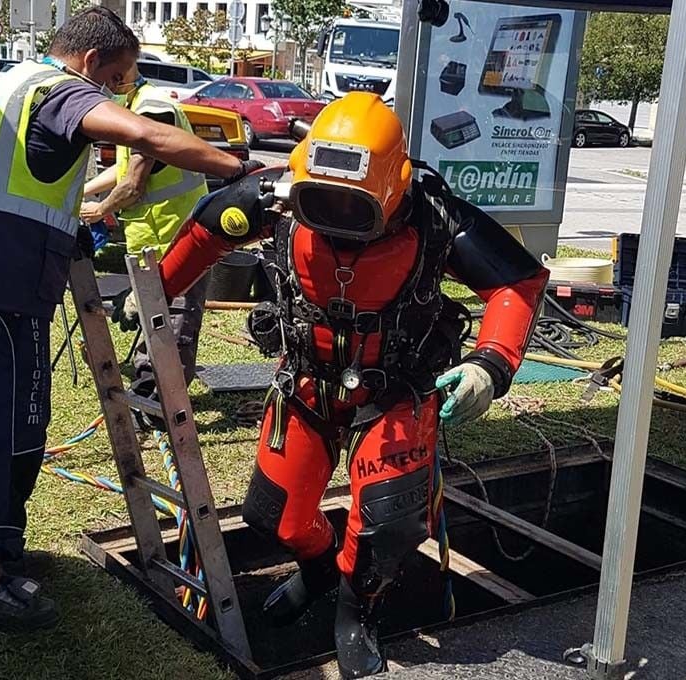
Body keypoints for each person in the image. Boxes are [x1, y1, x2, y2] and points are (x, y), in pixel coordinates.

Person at [142, 93, 549, 677]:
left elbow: (518, 281)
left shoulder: (434, 218)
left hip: (397, 389)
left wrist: (491, 364)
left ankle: (358, 614)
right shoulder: (272, 199)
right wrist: (153, 290)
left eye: (351, 208)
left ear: (392, 190)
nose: (334, 218)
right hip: (307, 383)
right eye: (319, 201)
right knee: (273, 517)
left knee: (387, 525)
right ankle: (318, 570)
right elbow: (206, 233)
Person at [0, 6, 260, 633]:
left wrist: (73, 226)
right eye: (115, 79)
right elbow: (149, 138)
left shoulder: (7, 88)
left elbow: (27, 184)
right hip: (1, 287)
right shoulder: (59, 90)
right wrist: (240, 170)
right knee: (10, 428)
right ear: (88, 63)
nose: (116, 92)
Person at [79, 62, 210, 404]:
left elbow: (135, 183)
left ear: (118, 76)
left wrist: (101, 209)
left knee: (175, 326)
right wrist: (84, 194)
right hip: (151, 239)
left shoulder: (154, 109)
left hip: (179, 239)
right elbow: (122, 171)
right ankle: (149, 393)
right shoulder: (134, 106)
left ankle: (164, 404)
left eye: (104, 81)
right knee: (154, 320)